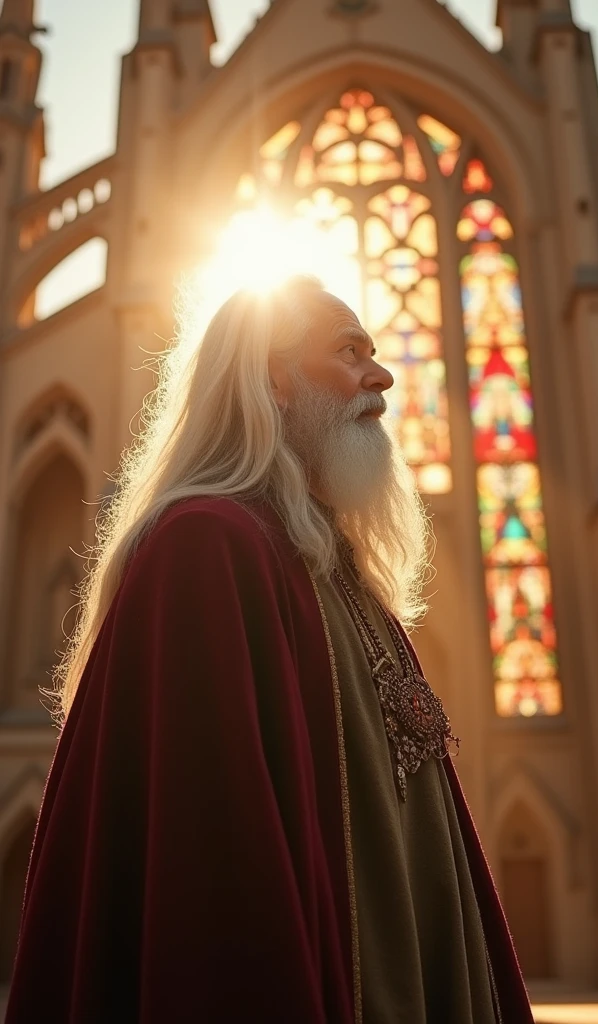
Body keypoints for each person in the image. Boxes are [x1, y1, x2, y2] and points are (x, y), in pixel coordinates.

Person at [6, 276, 533, 1023]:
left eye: (375, 354)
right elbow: (216, 863)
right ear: (274, 379)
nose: (381, 376)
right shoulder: (206, 549)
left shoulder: (338, 570)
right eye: (350, 352)